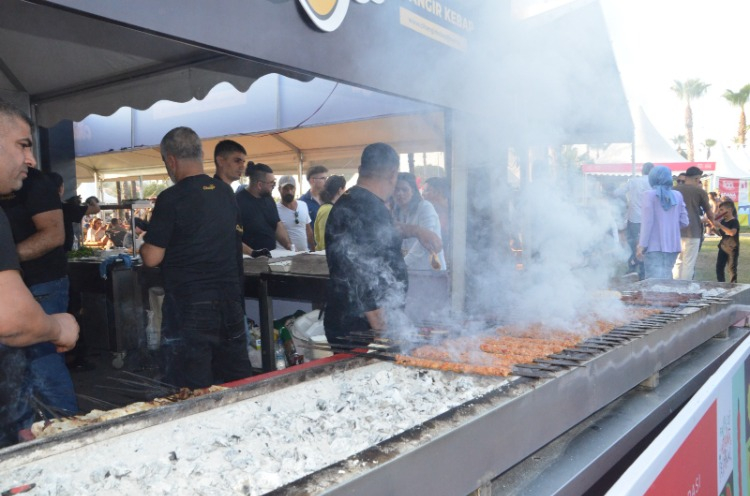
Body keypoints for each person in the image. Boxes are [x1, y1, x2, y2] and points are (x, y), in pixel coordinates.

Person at [140, 126, 252, 389]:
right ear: (200, 155)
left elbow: (152, 258)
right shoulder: (225, 193)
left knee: (192, 388)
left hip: (190, 307)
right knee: (238, 381)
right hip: (230, 302)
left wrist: (146, 244)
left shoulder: (171, 198)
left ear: (171, 160)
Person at [0, 100, 79, 446]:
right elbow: (13, 320)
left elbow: (54, 235)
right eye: (23, 145)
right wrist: (59, 326)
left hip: (42, 284)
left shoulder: (36, 184)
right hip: (28, 301)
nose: (31, 160)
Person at [324, 143, 441, 346]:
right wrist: (381, 327)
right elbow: (360, 271)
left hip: (351, 319)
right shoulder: (368, 208)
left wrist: (416, 231)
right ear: (393, 174)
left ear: (361, 170)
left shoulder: (355, 201)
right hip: (361, 328)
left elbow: (380, 233)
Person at [636, 165, 689, 279]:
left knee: (653, 281)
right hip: (673, 246)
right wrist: (671, 226)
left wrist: (642, 245)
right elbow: (685, 221)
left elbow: (647, 223)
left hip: (653, 246)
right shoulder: (678, 195)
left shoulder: (649, 195)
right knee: (666, 280)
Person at [393, 172, 446, 271]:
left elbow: (424, 243)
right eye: (396, 189)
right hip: (411, 270)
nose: (400, 193)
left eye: (404, 190)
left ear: (413, 191)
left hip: (431, 271)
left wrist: (402, 265)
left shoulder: (425, 207)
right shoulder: (397, 212)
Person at [236, 162, 291, 254]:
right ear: (259, 185)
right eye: (272, 183)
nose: (274, 186)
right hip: (248, 260)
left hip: (270, 256)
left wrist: (288, 245)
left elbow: (277, 224)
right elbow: (233, 238)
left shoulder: (269, 199)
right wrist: (253, 253)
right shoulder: (237, 202)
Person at [614, 162, 654, 279]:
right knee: (646, 246)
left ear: (642, 171)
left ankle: (634, 268)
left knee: (634, 245)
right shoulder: (653, 183)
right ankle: (642, 271)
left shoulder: (633, 181)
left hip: (634, 219)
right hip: (649, 219)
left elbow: (618, 192)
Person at [673, 166, 713, 280]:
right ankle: (685, 290)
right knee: (688, 264)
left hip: (676, 231)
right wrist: (714, 222)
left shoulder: (674, 190)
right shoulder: (700, 192)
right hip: (693, 232)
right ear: (696, 178)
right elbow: (709, 213)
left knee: (677, 262)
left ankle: (674, 287)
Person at [46, 172, 100, 251]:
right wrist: (92, 200)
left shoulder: (37, 206)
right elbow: (96, 209)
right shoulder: (67, 208)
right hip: (61, 253)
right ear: (61, 188)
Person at [276, 175, 314, 252]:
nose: (289, 192)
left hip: (304, 254)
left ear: (295, 189)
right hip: (283, 257)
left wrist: (313, 249)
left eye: (291, 188)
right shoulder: (274, 209)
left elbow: (308, 230)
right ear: (279, 189)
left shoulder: (303, 205)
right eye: (286, 189)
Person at [708, 200, 740, 283]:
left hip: (732, 248)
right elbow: (721, 234)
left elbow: (732, 233)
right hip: (723, 247)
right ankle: (721, 284)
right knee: (719, 267)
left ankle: (733, 286)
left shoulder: (734, 221)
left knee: (731, 268)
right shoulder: (723, 221)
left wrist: (720, 226)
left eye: (721, 210)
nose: (720, 212)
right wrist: (714, 229)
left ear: (729, 209)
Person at [313, 175, 346, 251]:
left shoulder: (331, 208)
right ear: (340, 190)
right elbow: (324, 240)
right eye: (344, 189)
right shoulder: (328, 210)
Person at [422, 176, 450, 260]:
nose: (423, 194)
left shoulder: (453, 213)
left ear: (438, 192)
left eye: (427, 190)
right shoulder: (431, 211)